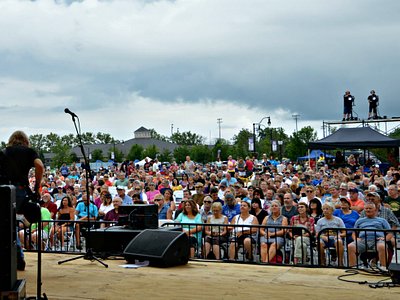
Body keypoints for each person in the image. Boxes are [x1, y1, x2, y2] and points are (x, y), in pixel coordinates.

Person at [4, 130, 44, 271]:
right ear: (26, 141)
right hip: (21, 190)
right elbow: (39, 166)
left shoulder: (6, 152)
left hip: (5, 190)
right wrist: (37, 186)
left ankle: (17, 259)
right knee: (12, 224)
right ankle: (18, 259)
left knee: (8, 225)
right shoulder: (29, 152)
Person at [348, 202, 392, 270]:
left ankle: (383, 268)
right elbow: (354, 232)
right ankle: (353, 268)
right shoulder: (359, 221)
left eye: (370, 208)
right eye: (366, 208)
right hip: (362, 240)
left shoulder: (382, 220)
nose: (368, 210)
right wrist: (355, 239)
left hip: (377, 240)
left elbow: (390, 233)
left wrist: (384, 238)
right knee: (350, 246)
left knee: (382, 246)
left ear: (375, 210)